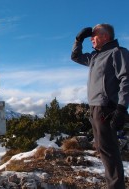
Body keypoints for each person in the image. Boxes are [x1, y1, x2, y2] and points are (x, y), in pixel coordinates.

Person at [71, 23, 129, 189]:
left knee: (109, 152)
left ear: (105, 36)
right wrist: (78, 40)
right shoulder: (95, 57)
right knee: (104, 151)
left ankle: (116, 186)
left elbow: (126, 79)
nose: (91, 38)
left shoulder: (117, 52)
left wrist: (121, 107)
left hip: (106, 108)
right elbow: (75, 57)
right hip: (95, 108)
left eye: (94, 35)